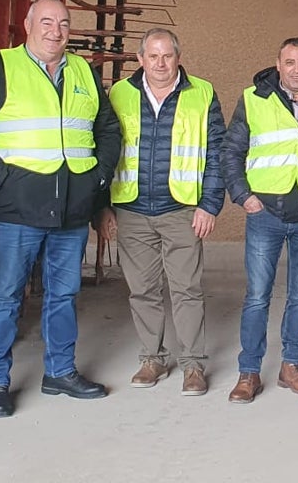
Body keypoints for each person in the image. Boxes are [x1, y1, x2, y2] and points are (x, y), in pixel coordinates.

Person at [0, 0, 121, 418]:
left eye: (63, 23)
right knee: (6, 296)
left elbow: (106, 128)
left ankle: (60, 372)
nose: (55, 30)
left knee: (63, 294)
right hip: (13, 210)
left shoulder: (83, 71)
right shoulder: (0, 69)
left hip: (70, 208)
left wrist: (96, 178)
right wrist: (0, 180)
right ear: (27, 24)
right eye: (46, 22)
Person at [98, 28, 225, 397]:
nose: (160, 63)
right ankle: (153, 358)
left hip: (181, 209)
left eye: (167, 55)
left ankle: (192, 365)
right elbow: (105, 151)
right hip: (132, 209)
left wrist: (209, 204)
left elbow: (216, 152)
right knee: (142, 290)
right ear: (140, 60)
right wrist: (103, 208)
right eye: (152, 56)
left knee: (187, 289)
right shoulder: (119, 93)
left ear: (178, 57)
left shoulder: (202, 93)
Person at [219, 38, 298, 403]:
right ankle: (249, 372)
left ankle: (291, 366)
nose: (297, 69)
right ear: (278, 64)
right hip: (265, 213)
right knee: (257, 297)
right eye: (290, 62)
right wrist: (243, 196)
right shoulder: (254, 98)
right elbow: (231, 150)